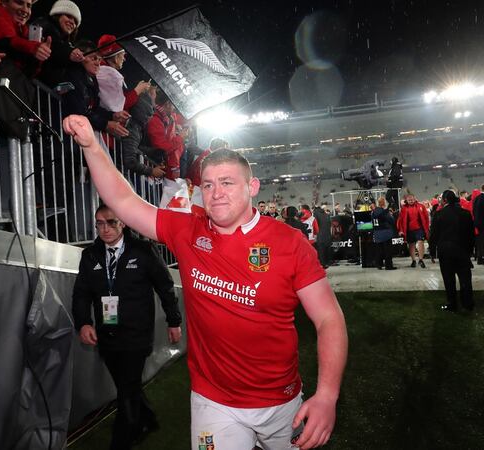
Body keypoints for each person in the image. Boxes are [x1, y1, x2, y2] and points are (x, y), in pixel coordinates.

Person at [63, 114, 348, 450]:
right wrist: (92, 146)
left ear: (252, 187)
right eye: (209, 185)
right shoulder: (187, 230)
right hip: (213, 402)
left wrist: (327, 396)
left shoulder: (290, 243)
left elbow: (329, 318)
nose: (216, 193)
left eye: (227, 182)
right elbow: (124, 202)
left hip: (280, 401)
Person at [72, 205, 183, 449]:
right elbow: (81, 293)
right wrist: (83, 322)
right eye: (99, 223)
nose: (105, 229)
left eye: (111, 222)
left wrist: (174, 320)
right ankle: (147, 418)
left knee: (127, 390)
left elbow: (165, 286)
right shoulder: (90, 255)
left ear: (122, 222)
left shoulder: (143, 250)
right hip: (107, 333)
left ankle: (121, 440)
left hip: (137, 334)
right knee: (126, 385)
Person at [429, 190, 475, 312]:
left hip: (445, 252)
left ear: (445, 200)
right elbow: (471, 235)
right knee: (465, 279)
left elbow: (433, 235)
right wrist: (470, 251)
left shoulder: (439, 214)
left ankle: (452, 304)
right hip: (462, 250)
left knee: (449, 279)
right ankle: (467, 303)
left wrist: (432, 252)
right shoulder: (465, 213)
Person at [397, 194, 429, 268]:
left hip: (419, 229)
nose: (411, 201)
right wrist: (401, 230)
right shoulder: (404, 209)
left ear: (415, 199)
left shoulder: (421, 206)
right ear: (407, 201)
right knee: (411, 245)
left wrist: (426, 228)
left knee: (421, 242)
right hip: (409, 230)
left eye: (412, 200)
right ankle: (413, 260)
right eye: (409, 200)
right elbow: (400, 220)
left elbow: (426, 217)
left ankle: (421, 260)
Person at [372, 197, 397, 270]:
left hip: (377, 233)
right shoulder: (384, 212)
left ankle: (379, 264)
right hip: (386, 233)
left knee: (379, 250)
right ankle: (388, 266)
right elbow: (391, 220)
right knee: (388, 250)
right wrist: (391, 215)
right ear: (383, 203)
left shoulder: (373, 212)